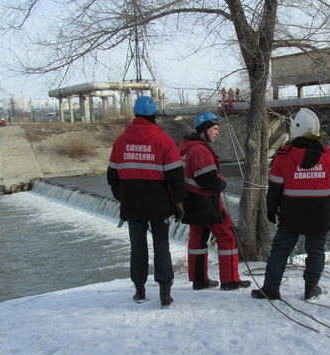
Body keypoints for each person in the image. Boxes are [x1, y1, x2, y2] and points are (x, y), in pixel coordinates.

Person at [251, 108, 330, 301]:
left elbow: (274, 187)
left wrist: (271, 209)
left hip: (291, 215)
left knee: (280, 252)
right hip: (320, 214)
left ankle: (271, 289)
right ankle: (310, 289)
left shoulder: (283, 155)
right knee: (316, 252)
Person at [107, 95, 187, 308]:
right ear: (154, 115)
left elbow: (112, 177)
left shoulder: (120, 141)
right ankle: (165, 294)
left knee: (138, 247)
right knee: (162, 246)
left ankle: (140, 291)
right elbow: (176, 178)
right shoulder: (164, 141)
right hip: (159, 206)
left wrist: (123, 197)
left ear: (135, 114)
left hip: (132, 206)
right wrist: (178, 204)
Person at [179, 112, 250, 291]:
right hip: (205, 202)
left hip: (190, 202)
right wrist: (222, 183)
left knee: (197, 239)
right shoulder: (199, 150)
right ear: (204, 130)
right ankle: (230, 280)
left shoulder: (186, 147)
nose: (217, 133)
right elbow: (208, 179)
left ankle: (199, 279)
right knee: (227, 236)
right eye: (215, 129)